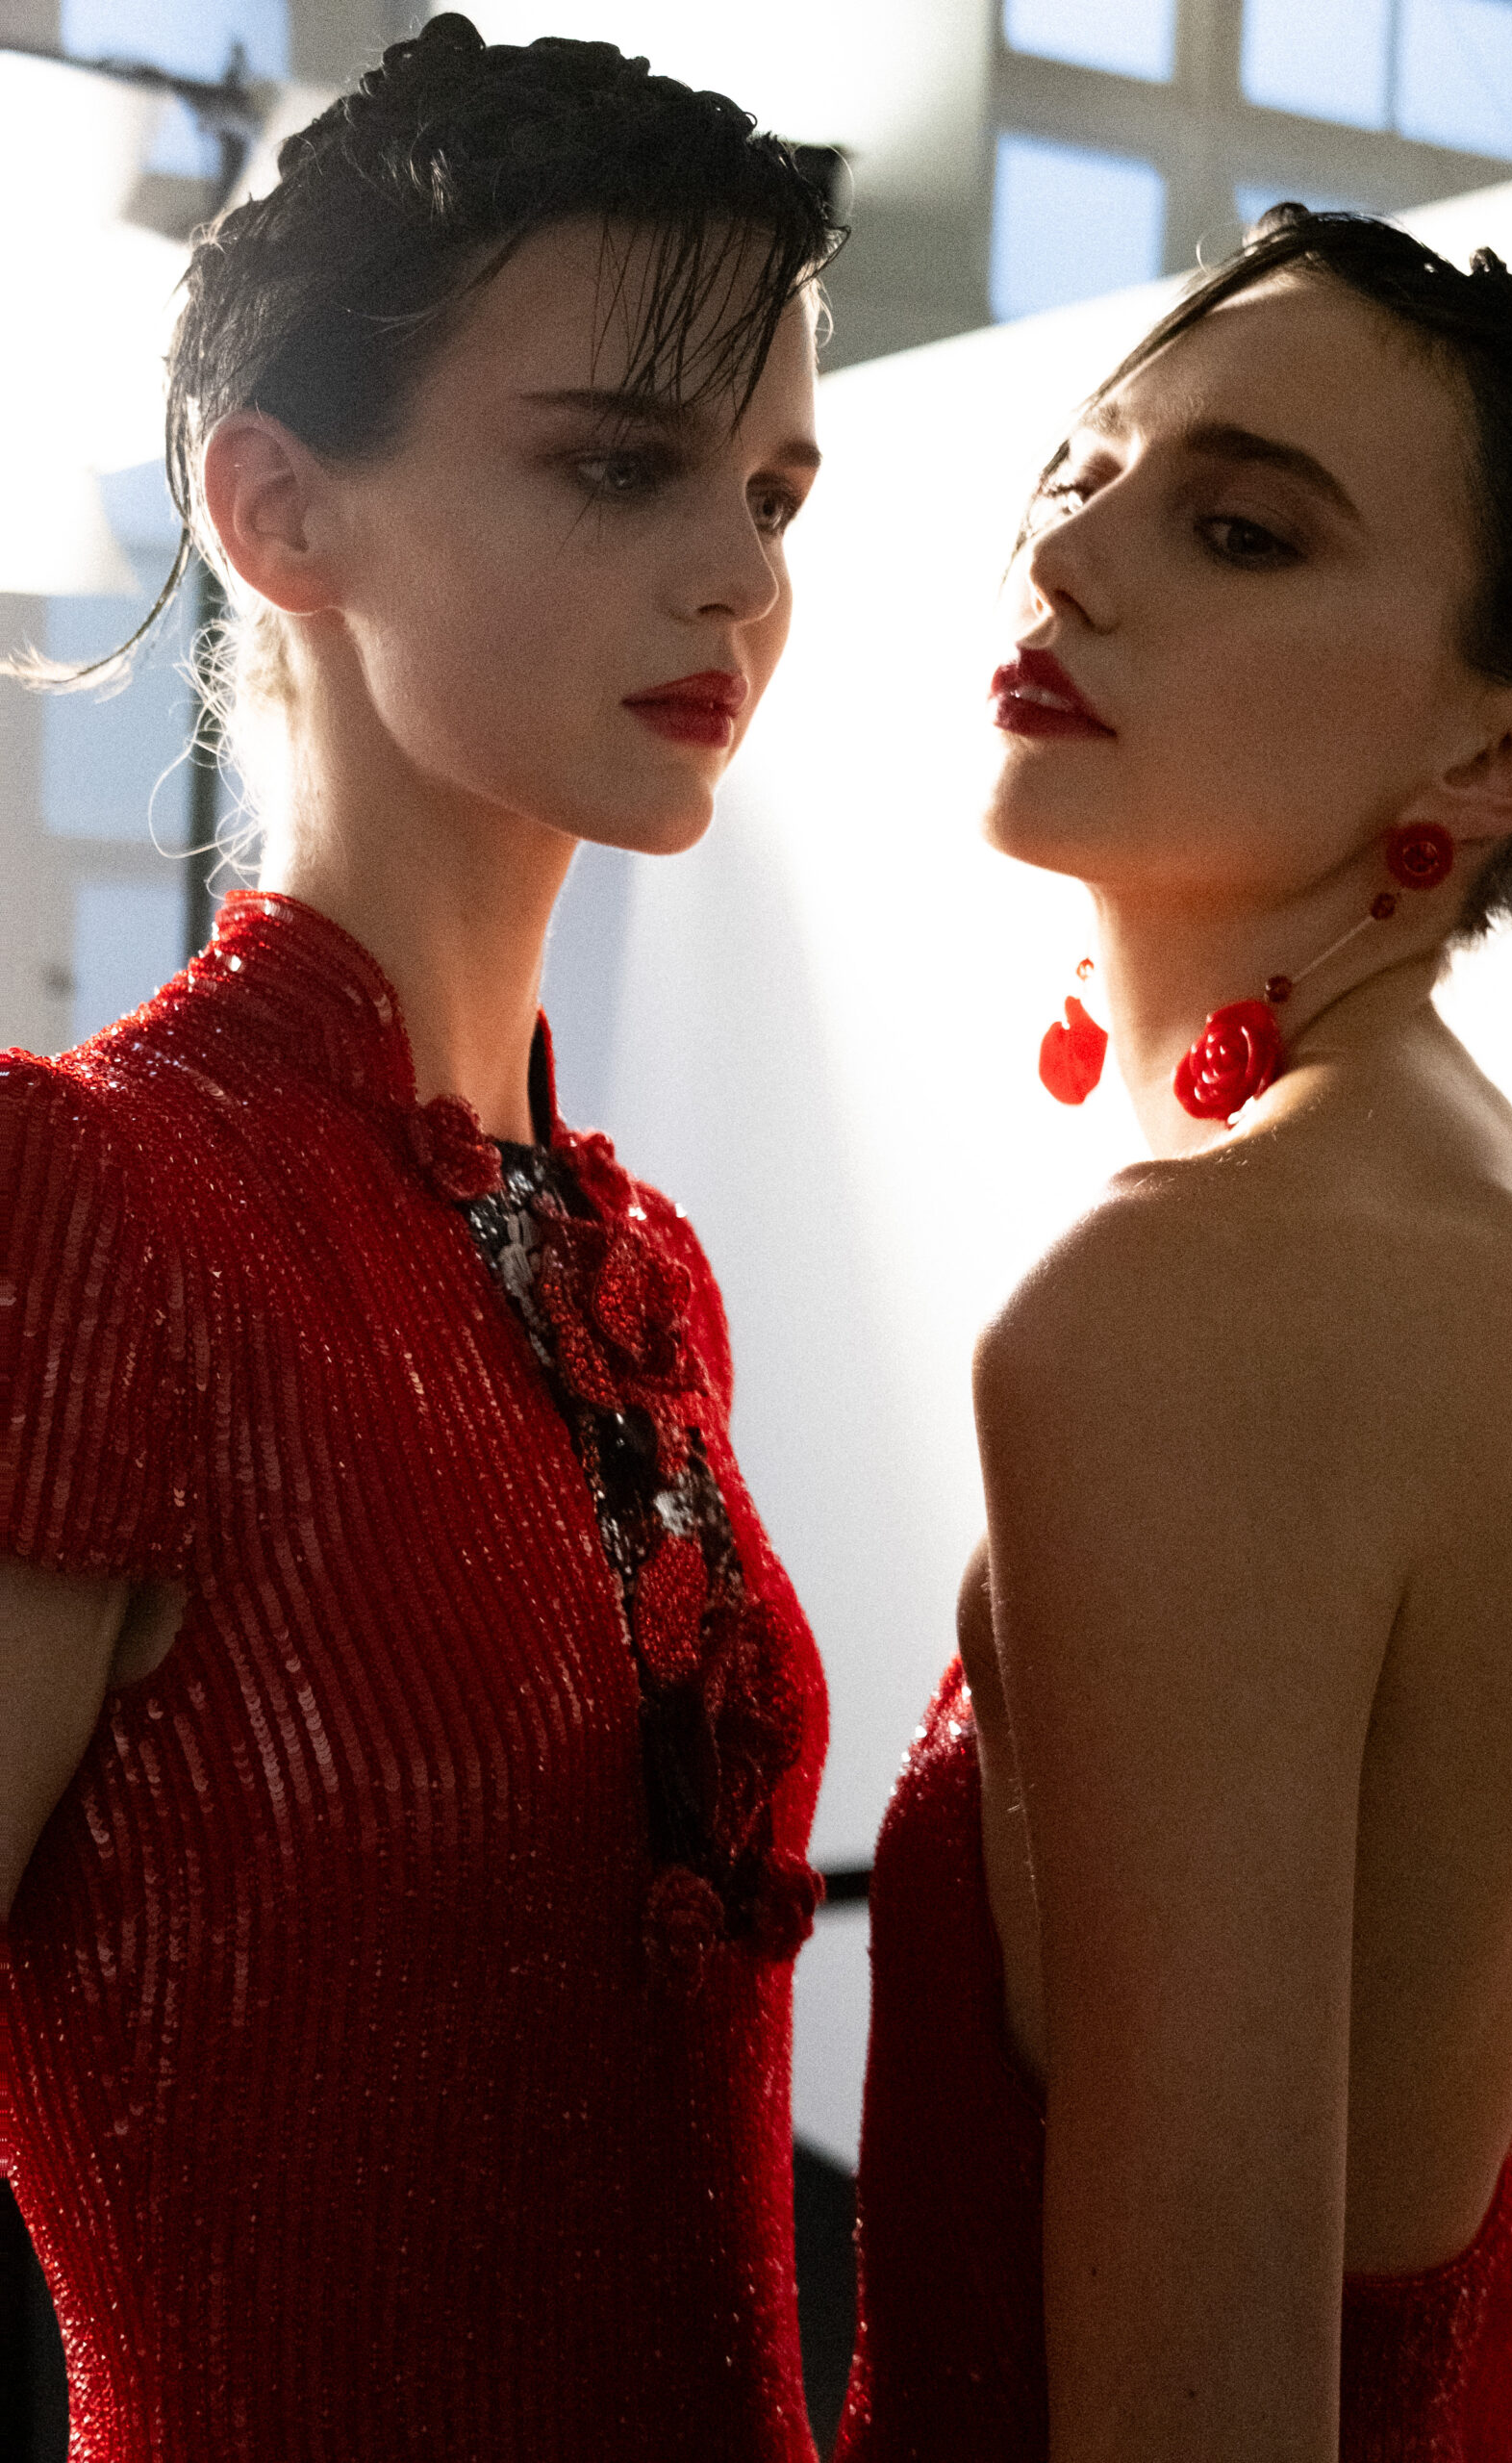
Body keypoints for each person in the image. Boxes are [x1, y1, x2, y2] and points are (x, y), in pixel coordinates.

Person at [1, 17, 843, 2459]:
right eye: (616, 462)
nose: (738, 576)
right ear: (280, 507)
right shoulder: (101, 1199)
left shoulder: (634, 1265)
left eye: (773, 489)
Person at [836, 208, 1512, 2463]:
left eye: (1240, 530)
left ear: (1497, 756)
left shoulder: (1204, 1291)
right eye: (1082, 474)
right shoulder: (1509, 1225)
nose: (1067, 560)